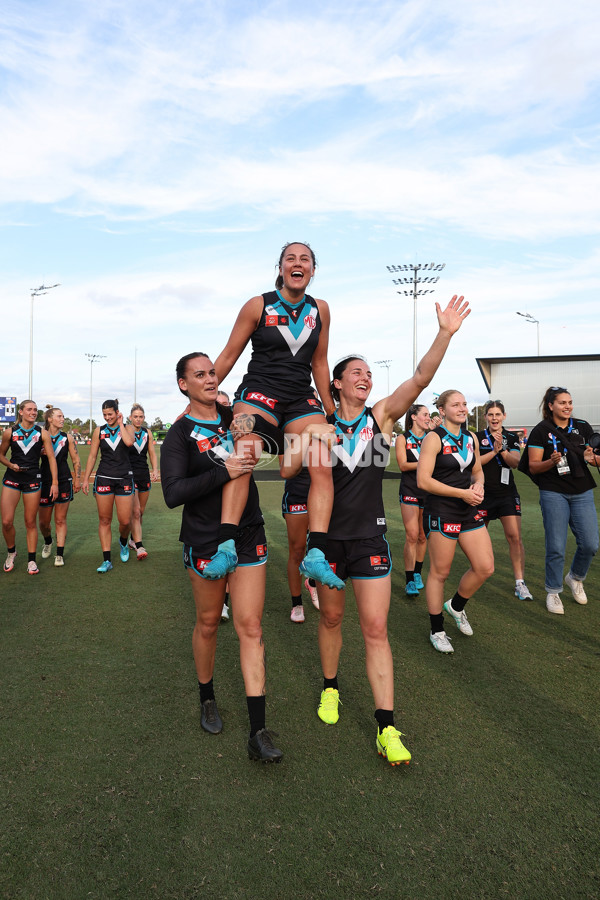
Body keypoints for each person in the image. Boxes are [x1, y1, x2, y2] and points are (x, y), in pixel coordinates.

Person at [283, 296, 470, 765]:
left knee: (375, 629)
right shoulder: (314, 424)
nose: (366, 378)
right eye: (357, 372)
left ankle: (387, 726)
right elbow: (286, 470)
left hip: (369, 538)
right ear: (337, 383)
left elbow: (421, 378)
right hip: (326, 544)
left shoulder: (381, 417)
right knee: (330, 620)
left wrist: (444, 333)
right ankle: (331, 689)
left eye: (370, 373)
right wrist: (307, 437)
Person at [161, 352, 282, 762]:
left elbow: (275, 438)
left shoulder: (237, 417)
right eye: (200, 374)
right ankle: (207, 696)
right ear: (184, 384)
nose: (210, 378)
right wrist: (223, 471)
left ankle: (258, 730)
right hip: (204, 539)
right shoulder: (179, 434)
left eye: (212, 371)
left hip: (248, 534)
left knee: (250, 627)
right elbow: (173, 493)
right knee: (210, 623)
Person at [204, 241, 343, 590]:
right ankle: (226, 545)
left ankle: (316, 554)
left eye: (305, 259)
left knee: (320, 456)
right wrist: (202, 397)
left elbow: (321, 363)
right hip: (258, 395)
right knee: (245, 449)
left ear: (313, 269)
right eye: (290, 259)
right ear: (280, 268)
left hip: (299, 400)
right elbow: (229, 354)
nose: (298, 264)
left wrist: (331, 413)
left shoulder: (321, 309)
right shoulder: (258, 305)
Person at [417, 391, 494, 653]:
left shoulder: (471, 436)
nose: (462, 408)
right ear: (441, 409)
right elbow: (423, 481)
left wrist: (479, 486)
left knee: (485, 567)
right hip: (441, 510)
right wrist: (462, 493)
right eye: (456, 404)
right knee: (440, 572)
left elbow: (477, 471)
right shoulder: (433, 438)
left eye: (464, 404)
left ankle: (456, 606)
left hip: (468, 508)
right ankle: (436, 629)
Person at [521, 387, 599, 615]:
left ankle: (575, 577)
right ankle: (553, 591)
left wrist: (592, 458)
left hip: (582, 490)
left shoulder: (582, 426)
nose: (567, 406)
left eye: (570, 402)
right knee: (556, 546)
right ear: (551, 406)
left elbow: (594, 458)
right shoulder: (540, 431)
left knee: (591, 544)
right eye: (562, 402)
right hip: (553, 491)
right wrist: (551, 462)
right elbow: (534, 466)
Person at [476, 400, 532, 600]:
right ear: (485, 417)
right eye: (490, 414)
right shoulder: (477, 437)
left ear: (504, 416)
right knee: (478, 540)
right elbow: (474, 463)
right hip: (482, 494)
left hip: (506, 494)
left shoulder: (511, 437)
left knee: (514, 537)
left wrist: (503, 450)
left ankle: (520, 583)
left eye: (497, 414)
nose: (494, 418)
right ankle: (477, 575)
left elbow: (515, 463)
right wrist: (493, 451)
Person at [0, 400, 58, 574]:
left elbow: (52, 459)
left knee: (30, 522)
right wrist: (11, 466)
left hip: (33, 479)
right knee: (6, 521)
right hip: (12, 478)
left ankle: (31, 561)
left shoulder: (43, 434)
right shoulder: (9, 432)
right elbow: (1, 455)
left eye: (35, 410)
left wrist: (54, 483)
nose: (33, 412)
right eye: (29, 409)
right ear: (20, 412)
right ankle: (11, 553)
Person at [81, 399, 135, 573]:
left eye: (110, 414)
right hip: (104, 477)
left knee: (125, 521)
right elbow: (92, 456)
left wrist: (120, 424)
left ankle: (123, 541)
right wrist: (85, 479)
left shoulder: (128, 428)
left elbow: (128, 442)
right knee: (104, 520)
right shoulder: (99, 431)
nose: (107, 418)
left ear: (118, 412)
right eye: (104, 415)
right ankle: (106, 560)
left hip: (125, 478)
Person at [39, 406, 82, 566]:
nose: (62, 419)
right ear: (50, 419)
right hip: (44, 481)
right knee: (43, 522)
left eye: (63, 416)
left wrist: (77, 479)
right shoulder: (40, 437)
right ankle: (48, 541)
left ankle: (59, 554)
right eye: (59, 416)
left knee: (60, 520)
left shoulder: (68, 438)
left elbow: (76, 460)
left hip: (64, 481)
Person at [395, 404, 430, 597]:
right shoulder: (403, 438)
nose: (428, 417)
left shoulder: (431, 437)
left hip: (428, 491)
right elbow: (402, 464)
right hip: (409, 490)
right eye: (424, 414)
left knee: (422, 536)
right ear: (414, 417)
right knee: (412, 534)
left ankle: (417, 573)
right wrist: (426, 462)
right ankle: (409, 581)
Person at [282, 466, 319, 623]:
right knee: (297, 551)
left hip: (323, 491)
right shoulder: (290, 440)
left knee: (320, 547)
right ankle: (297, 604)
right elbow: (286, 469)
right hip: (298, 494)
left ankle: (312, 582)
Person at [127, 403, 159, 560]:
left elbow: (152, 453)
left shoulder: (148, 433)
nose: (138, 419)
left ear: (144, 418)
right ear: (130, 418)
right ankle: (139, 546)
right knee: (136, 511)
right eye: (135, 417)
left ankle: (132, 539)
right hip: (129, 474)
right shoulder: (126, 431)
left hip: (143, 474)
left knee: (141, 512)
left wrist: (155, 469)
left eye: (140, 417)